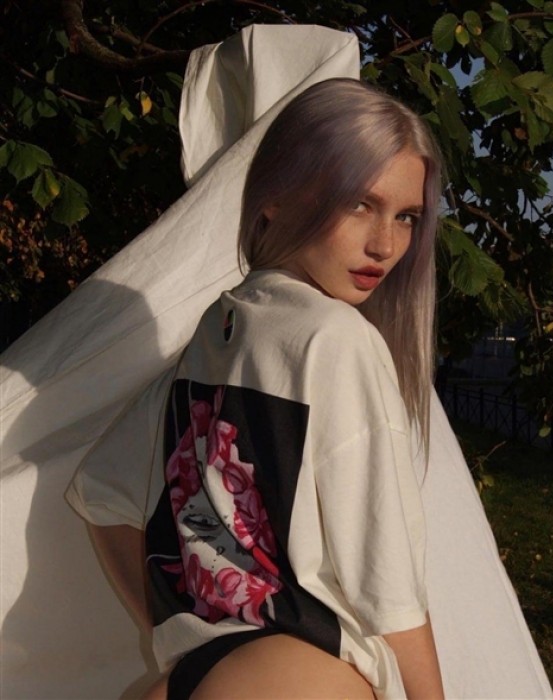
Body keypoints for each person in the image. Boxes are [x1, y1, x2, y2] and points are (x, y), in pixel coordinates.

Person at [68, 77, 443, 700]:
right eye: (359, 204)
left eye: (406, 217)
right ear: (275, 199)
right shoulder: (336, 338)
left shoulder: (218, 329)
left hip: (195, 675)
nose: (385, 244)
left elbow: (100, 493)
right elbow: (387, 585)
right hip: (304, 676)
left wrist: (179, 633)